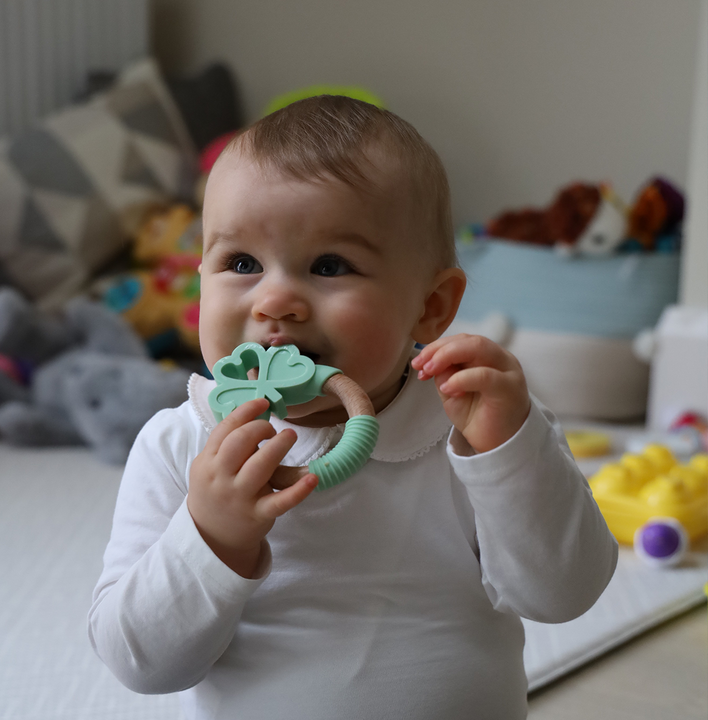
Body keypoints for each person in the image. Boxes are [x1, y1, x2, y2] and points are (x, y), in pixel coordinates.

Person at [89, 96, 617, 719]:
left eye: (329, 265)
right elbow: (137, 662)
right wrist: (210, 536)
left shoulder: (473, 428)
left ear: (430, 306)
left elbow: (564, 594)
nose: (276, 300)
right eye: (240, 263)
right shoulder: (179, 447)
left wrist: (509, 454)